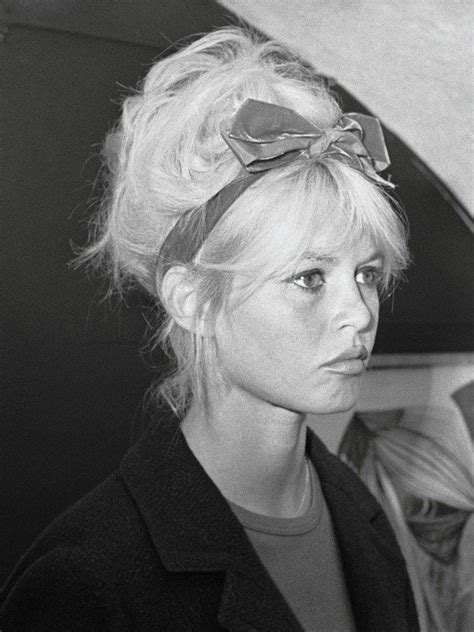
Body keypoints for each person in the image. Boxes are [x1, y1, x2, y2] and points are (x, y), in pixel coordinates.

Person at [0, 27, 418, 631]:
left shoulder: (363, 514)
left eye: (367, 274)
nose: (360, 313)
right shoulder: (88, 583)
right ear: (192, 299)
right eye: (309, 277)